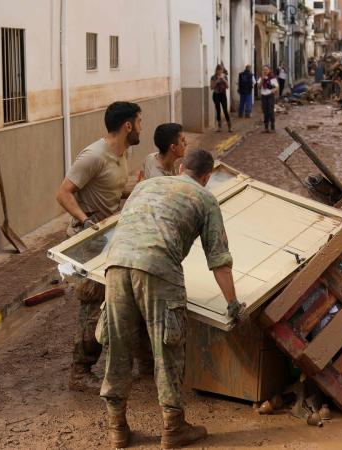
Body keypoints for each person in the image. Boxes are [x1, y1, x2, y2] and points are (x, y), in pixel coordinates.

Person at [100, 148, 245, 449]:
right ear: (206, 177)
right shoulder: (205, 199)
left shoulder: (144, 186)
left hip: (115, 265)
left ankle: (117, 429)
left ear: (181, 168)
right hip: (158, 269)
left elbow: (124, 228)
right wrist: (233, 304)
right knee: (166, 347)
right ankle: (173, 428)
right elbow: (219, 259)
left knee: (118, 345)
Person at [55, 101, 148, 393]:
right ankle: (79, 372)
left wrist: (143, 191)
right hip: (87, 244)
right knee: (92, 305)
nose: (142, 127)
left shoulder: (122, 153)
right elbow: (63, 193)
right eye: (140, 122)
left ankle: (124, 361)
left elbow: (112, 189)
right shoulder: (94, 155)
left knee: (118, 301)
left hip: (109, 239)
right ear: (128, 126)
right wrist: (84, 221)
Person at [210, 66, 231, 132]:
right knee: (218, 110)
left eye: (221, 70)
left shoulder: (225, 76)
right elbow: (211, 87)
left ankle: (229, 127)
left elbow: (227, 87)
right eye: (218, 70)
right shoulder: (213, 77)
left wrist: (224, 80)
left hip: (223, 95)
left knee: (225, 110)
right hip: (216, 95)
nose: (219, 72)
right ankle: (219, 127)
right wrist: (217, 81)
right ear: (216, 70)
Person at [259, 65, 278, 133]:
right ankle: (266, 127)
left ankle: (272, 127)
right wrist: (262, 80)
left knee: (270, 111)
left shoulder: (272, 78)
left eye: (266, 69)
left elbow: (276, 87)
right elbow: (258, 86)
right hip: (263, 96)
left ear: (269, 70)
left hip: (270, 96)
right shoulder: (261, 77)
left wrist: (274, 90)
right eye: (264, 70)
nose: (265, 71)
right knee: (265, 111)